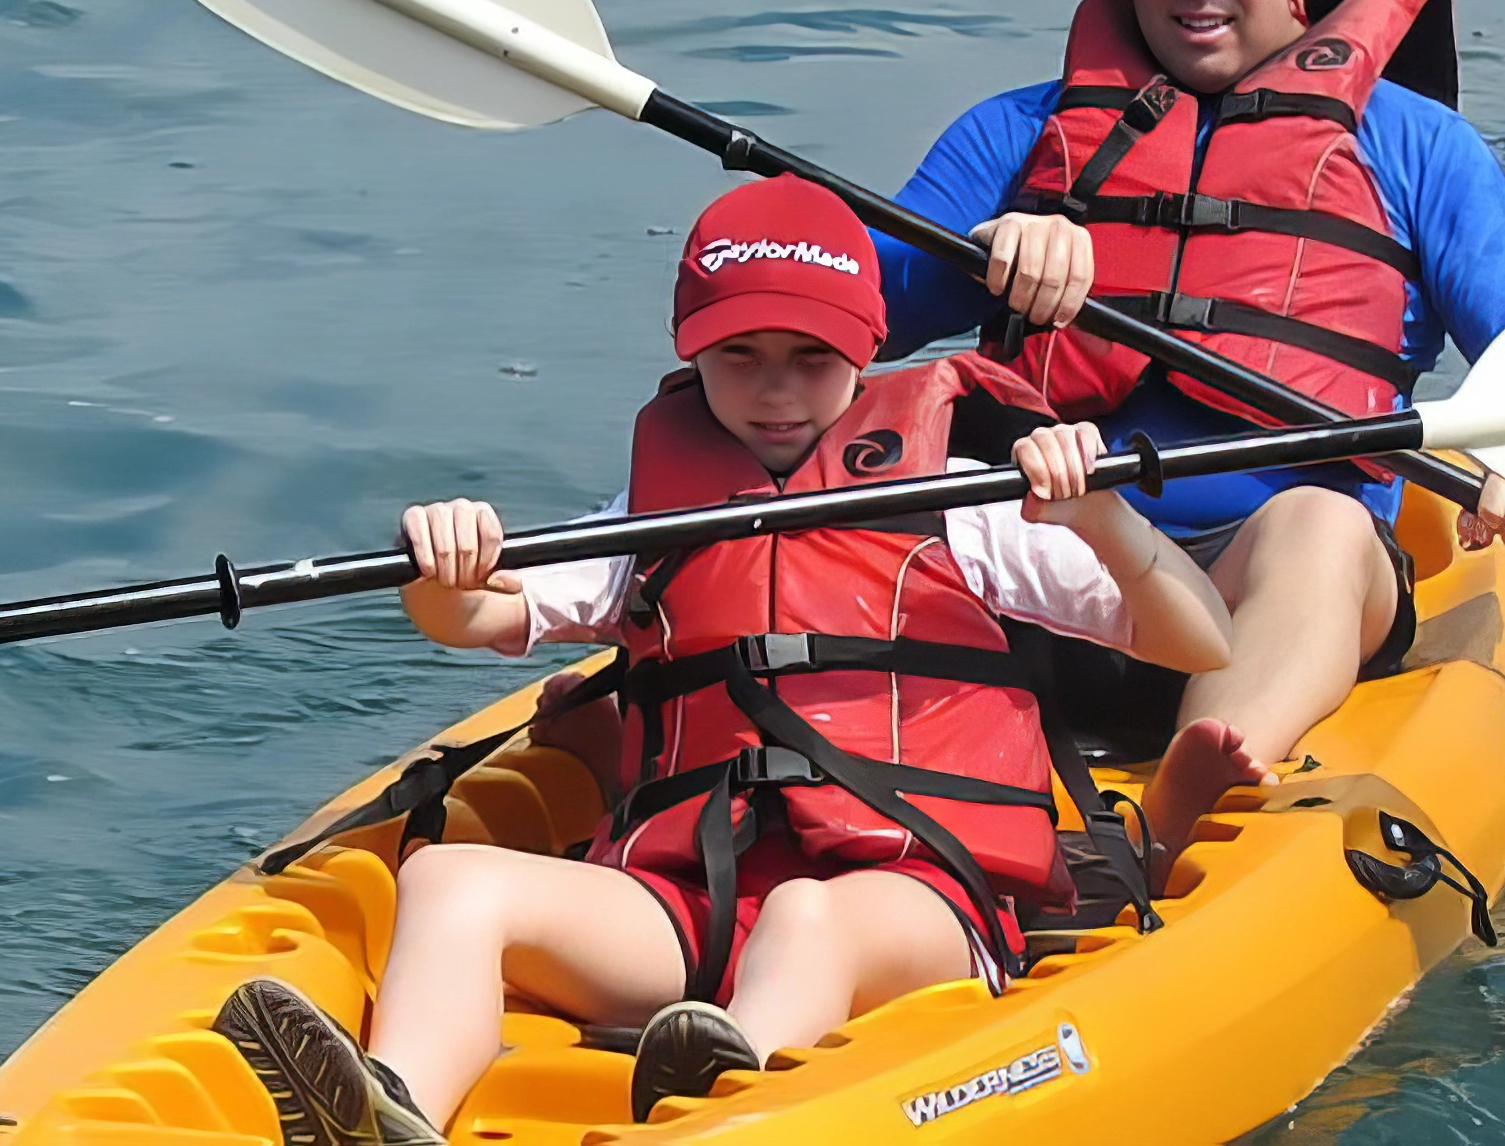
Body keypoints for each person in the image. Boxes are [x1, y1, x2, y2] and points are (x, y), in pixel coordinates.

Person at [208, 176, 1234, 1146]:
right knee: (451, 881)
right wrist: (442, 563)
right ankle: (394, 1105)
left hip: (915, 899)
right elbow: (474, 615)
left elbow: (1198, 641)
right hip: (693, 902)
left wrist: (1101, 518)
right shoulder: (653, 517)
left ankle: (719, 1111)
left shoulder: (959, 501)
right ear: (688, 348)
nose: (775, 389)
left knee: (804, 917)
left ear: (868, 347)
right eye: (739, 354)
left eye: (811, 357)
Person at [875, 0, 1505, 869]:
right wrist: (981, 245)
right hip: (1041, 566)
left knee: (1321, 525)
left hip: (1263, 586)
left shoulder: (1415, 150)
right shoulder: (1017, 137)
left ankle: (1194, 787)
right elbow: (827, 316)